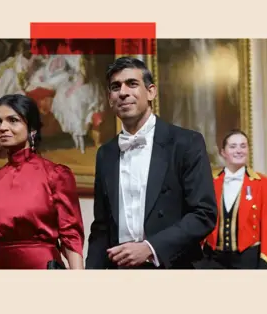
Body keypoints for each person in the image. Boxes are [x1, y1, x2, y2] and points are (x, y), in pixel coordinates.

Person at [85, 57, 217, 269]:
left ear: (151, 92)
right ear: (110, 98)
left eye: (132, 83)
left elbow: (204, 214)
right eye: (115, 87)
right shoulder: (105, 154)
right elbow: (101, 227)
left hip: (174, 268)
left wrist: (150, 247)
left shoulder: (186, 143)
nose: (123, 92)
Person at [0, 94, 85, 269]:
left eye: (13, 120)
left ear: (32, 129)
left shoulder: (56, 174)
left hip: (43, 267)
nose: (2, 127)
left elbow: (71, 236)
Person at [199, 129, 267, 269]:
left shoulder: (263, 184)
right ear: (223, 152)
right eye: (233, 146)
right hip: (212, 259)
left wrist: (266, 263)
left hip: (248, 258)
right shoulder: (210, 182)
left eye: (243, 146)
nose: (239, 150)